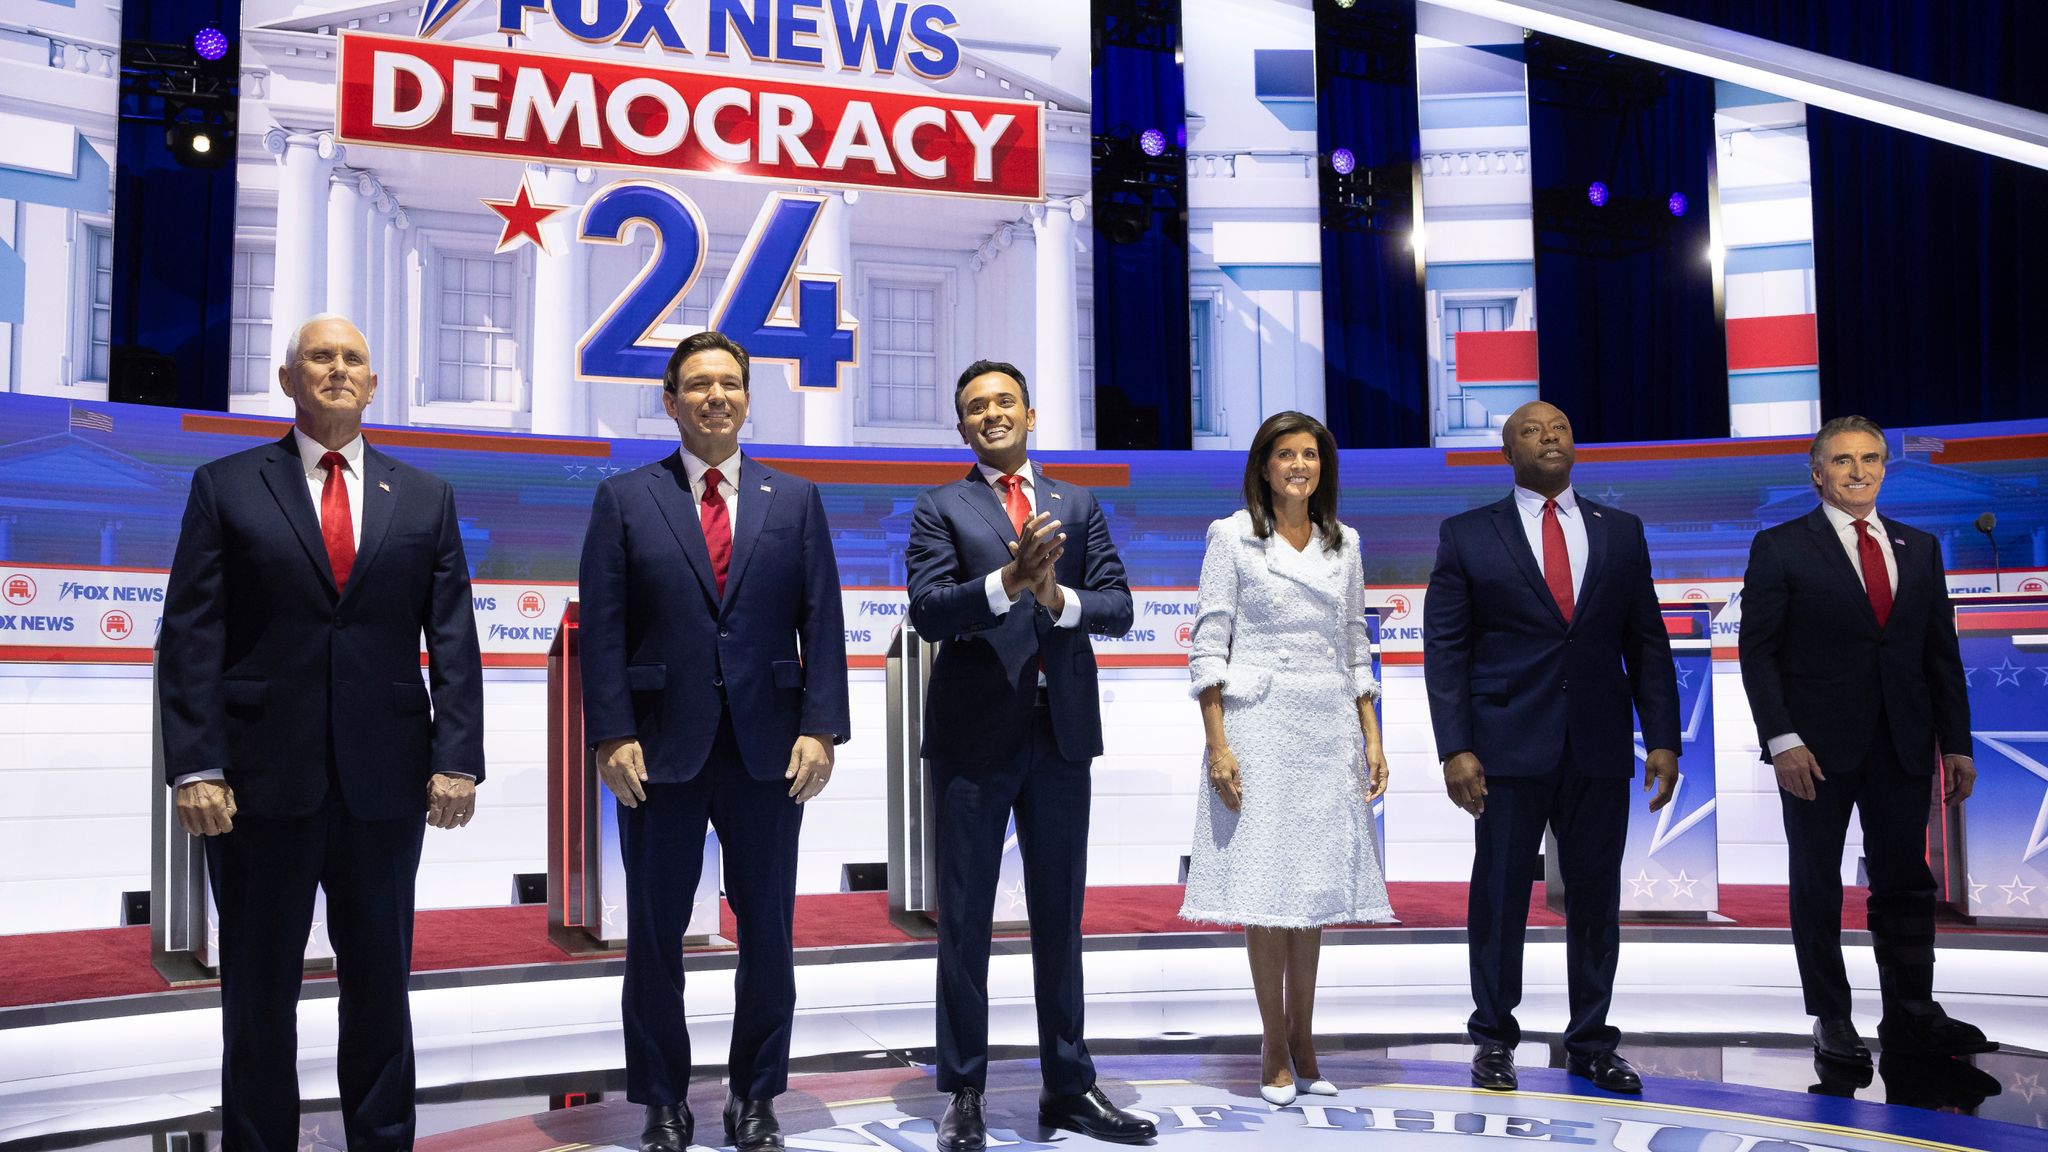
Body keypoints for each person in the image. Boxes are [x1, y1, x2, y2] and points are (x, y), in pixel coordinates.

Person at [159, 313, 485, 1152]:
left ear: (373, 384)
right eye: (320, 358)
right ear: (288, 379)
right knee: (259, 992)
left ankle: (381, 1140)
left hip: (385, 785)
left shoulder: (424, 497)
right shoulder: (226, 486)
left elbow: (451, 638)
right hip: (258, 787)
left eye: (353, 360)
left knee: (380, 985)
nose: (337, 370)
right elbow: (191, 635)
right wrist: (196, 764)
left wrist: (457, 759)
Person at [578, 331, 850, 1152]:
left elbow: (823, 622)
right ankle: (663, 1102)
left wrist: (821, 728)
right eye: (697, 385)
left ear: (746, 397)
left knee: (768, 930)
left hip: (771, 751)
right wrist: (612, 731)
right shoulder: (626, 498)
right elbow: (604, 630)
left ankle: (756, 1099)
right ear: (670, 401)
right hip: (657, 751)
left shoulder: (794, 499)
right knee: (656, 935)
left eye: (730, 383)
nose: (716, 396)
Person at [905, 361, 1155, 1150]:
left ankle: (1069, 1087)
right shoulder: (941, 507)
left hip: (1060, 734)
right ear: (961, 427)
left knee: (1061, 919)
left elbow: (1117, 606)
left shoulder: (1077, 504)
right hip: (973, 740)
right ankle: (965, 1091)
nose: (991, 414)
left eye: (1003, 401)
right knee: (965, 923)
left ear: (1031, 413)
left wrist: (1057, 598)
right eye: (975, 406)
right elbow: (929, 612)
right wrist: (1008, 581)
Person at [1422, 400, 1680, 1095]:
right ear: (1508, 452)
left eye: (1561, 428)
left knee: (1595, 899)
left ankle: (1592, 1042)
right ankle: (1494, 1042)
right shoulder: (1468, 534)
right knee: (1501, 896)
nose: (1550, 438)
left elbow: (1647, 642)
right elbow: (1445, 652)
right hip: (1504, 748)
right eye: (1532, 431)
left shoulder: (1620, 531)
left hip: (1598, 745)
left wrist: (1663, 739)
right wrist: (1455, 748)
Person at [1736, 415, 1989, 1069]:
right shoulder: (1780, 546)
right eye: (1843, 460)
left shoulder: (1920, 547)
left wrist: (1956, 744)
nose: (1859, 471)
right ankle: (1831, 1017)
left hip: (1903, 743)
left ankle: (1912, 1011)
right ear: (1818, 472)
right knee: (1817, 883)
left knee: (1906, 881)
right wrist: (1782, 739)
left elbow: (1941, 654)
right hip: (1814, 751)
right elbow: (1758, 653)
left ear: (1884, 468)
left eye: (1871, 459)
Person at [1179, 411, 1393, 1105]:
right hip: (1258, 724)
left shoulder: (1345, 543)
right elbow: (1211, 643)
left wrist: (1372, 735)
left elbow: (1354, 644)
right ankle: (1273, 1042)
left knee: (1313, 893)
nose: (1300, 465)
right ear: (1263, 466)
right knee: (1268, 894)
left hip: (1327, 726)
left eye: (1311, 454)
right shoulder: (1231, 537)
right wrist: (1217, 741)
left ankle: (1305, 1036)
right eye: (1286, 454)